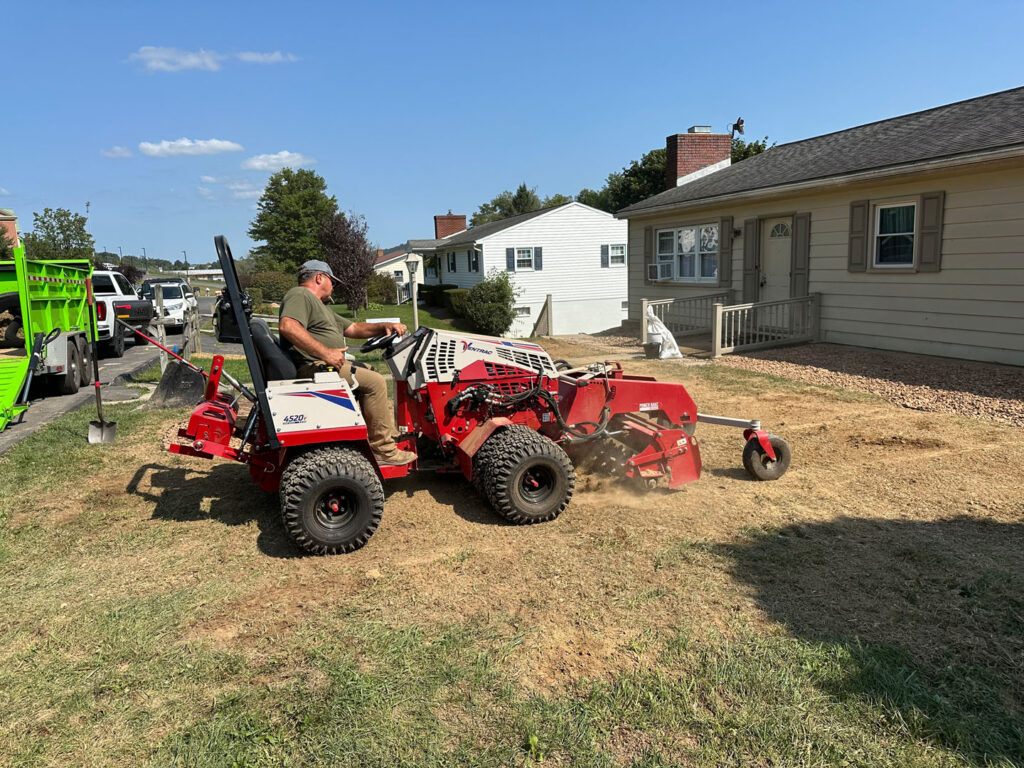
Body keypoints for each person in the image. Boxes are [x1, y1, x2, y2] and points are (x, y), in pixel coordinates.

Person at [278, 260, 415, 466]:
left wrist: (384, 326)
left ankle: (369, 436)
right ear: (320, 278)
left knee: (368, 369)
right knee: (376, 382)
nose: (334, 287)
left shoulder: (320, 306)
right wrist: (326, 353)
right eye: (333, 282)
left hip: (323, 365)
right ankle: (384, 450)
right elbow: (288, 326)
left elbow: (353, 329)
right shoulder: (300, 295)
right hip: (314, 367)